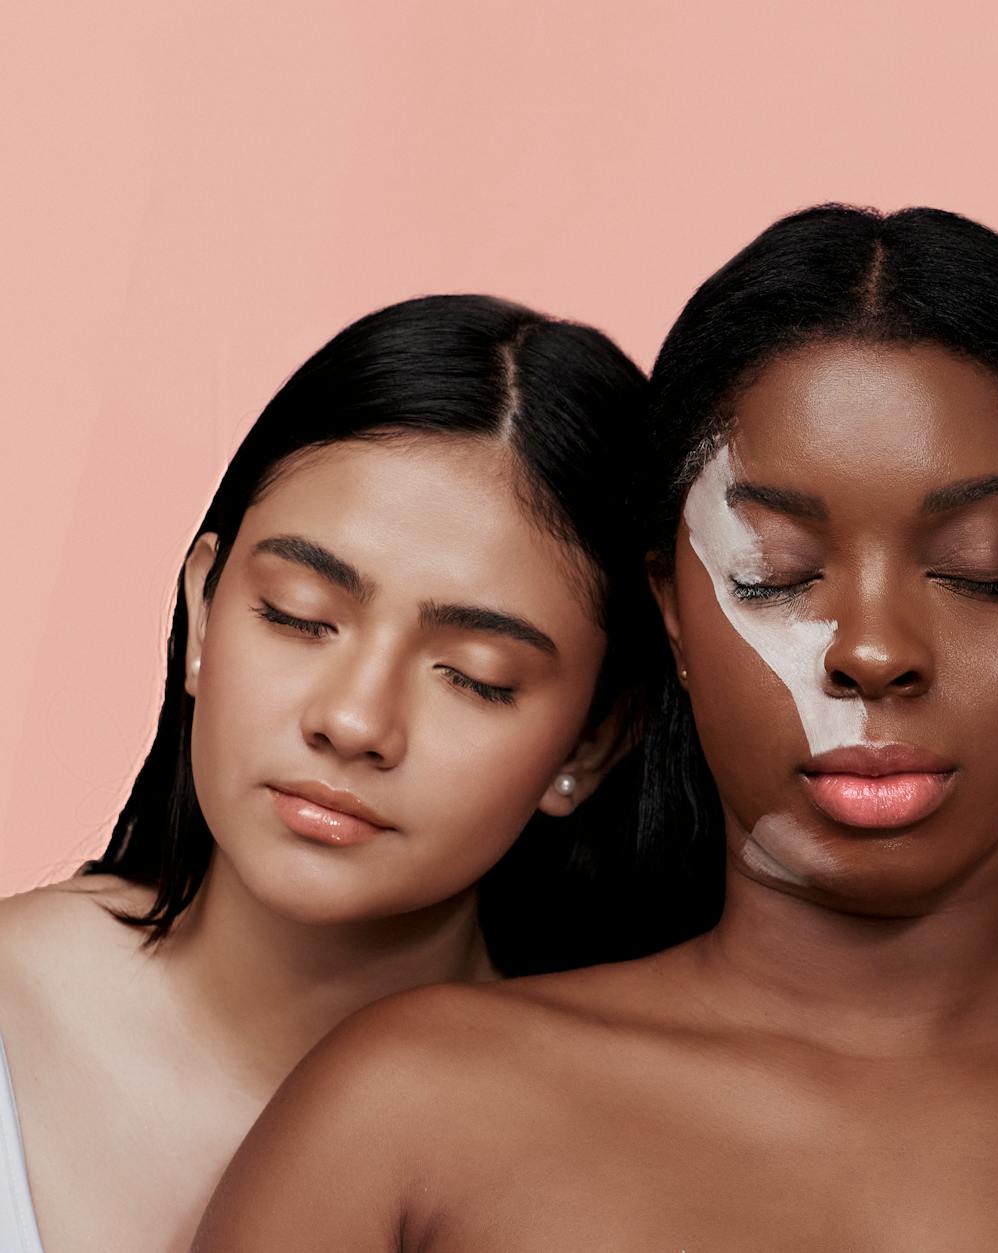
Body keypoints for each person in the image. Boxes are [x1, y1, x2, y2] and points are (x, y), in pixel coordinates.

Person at [191, 207, 998, 1252]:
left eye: (976, 571)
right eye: (773, 575)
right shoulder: (406, 1117)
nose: (870, 651)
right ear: (671, 608)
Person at [0, 294, 651, 1252]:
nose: (353, 721)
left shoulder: (633, 1153)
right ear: (204, 610)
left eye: (475, 675)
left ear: (592, 740)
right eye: (300, 615)